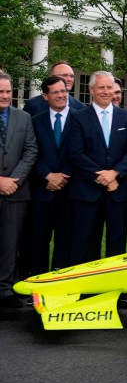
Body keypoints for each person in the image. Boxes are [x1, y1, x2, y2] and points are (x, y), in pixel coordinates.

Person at [67, 71, 127, 265]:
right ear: (91, 90)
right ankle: (84, 289)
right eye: (101, 87)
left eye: (110, 88)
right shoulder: (78, 117)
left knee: (117, 245)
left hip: (118, 191)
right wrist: (100, 177)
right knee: (85, 243)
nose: (106, 92)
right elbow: (76, 153)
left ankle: (112, 289)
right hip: (87, 192)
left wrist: (115, 173)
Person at [28, 76, 77, 277]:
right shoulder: (35, 121)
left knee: (65, 241)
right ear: (45, 96)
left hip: (70, 191)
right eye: (55, 92)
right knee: (38, 241)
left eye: (63, 91)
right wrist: (48, 175)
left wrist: (63, 176)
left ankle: (60, 284)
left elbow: (81, 152)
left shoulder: (80, 117)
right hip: (42, 191)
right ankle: (38, 284)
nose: (61, 95)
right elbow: (32, 152)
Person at [0, 71, 37, 308]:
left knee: (10, 244)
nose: (4, 96)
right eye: (0, 92)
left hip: (16, 191)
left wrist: (14, 179)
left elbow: (31, 150)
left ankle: (5, 290)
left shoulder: (23, 118)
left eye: (7, 92)